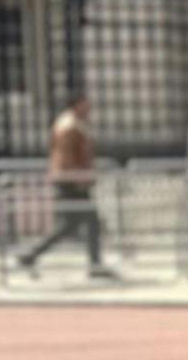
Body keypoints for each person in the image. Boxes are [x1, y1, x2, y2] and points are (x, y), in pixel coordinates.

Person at [12, 95, 118, 281]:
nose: (89, 110)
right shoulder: (69, 126)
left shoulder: (70, 123)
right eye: (85, 105)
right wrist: (80, 177)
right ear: (77, 104)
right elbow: (67, 157)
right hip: (70, 180)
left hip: (70, 178)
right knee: (82, 221)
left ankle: (31, 255)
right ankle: (92, 263)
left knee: (74, 223)